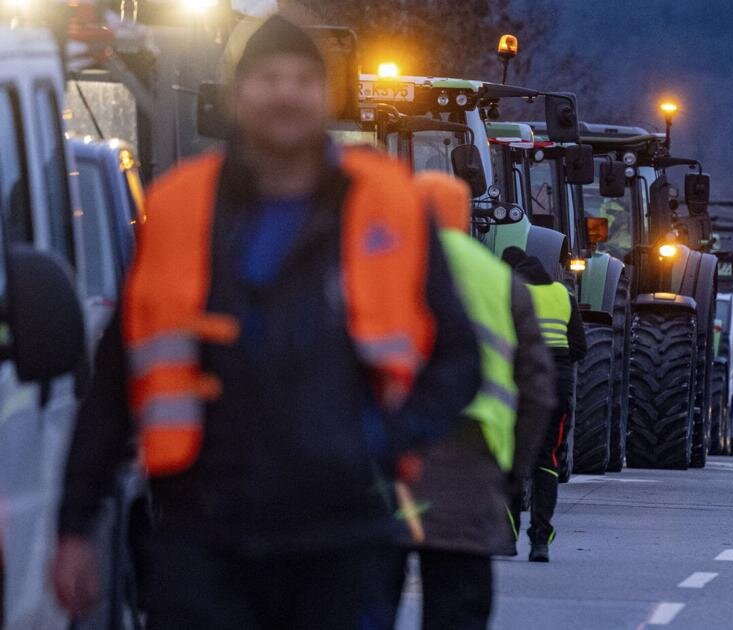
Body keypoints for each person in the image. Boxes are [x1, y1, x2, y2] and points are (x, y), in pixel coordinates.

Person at [53, 15, 480, 629]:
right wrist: (75, 525)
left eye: (303, 79)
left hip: (344, 535)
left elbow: (457, 356)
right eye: (268, 78)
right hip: (204, 532)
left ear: (326, 95)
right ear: (236, 94)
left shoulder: (389, 206)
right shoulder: (179, 206)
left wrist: (385, 439)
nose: (285, 93)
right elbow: (118, 377)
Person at [400, 172, 556, 629]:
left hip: (383, 460)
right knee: (457, 604)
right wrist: (513, 470)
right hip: (471, 459)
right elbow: (536, 389)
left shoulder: (376, 263)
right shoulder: (502, 281)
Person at [502, 248, 586, 563]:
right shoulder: (563, 295)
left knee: (509, 457)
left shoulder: (510, 294)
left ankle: (507, 535)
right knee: (546, 459)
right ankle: (541, 539)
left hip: (517, 385)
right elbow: (579, 347)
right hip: (555, 388)